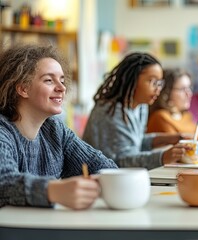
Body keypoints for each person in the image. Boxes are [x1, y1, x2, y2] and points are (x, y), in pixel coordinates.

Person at [0, 44, 118, 210]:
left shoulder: (55, 130)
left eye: (62, 80)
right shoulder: (3, 132)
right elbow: (4, 183)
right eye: (49, 80)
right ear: (22, 88)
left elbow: (104, 167)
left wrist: (97, 183)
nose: (62, 88)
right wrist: (53, 190)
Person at [83, 52, 186, 170]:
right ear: (131, 79)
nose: (158, 88)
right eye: (152, 81)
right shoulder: (111, 112)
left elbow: (135, 143)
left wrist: (171, 138)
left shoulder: (141, 107)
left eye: (159, 83)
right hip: (100, 180)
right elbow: (121, 161)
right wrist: (163, 157)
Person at [147, 68, 198, 140]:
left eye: (189, 88)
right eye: (183, 89)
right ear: (167, 92)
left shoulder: (186, 116)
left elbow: (194, 135)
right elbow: (179, 145)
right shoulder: (160, 117)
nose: (189, 93)